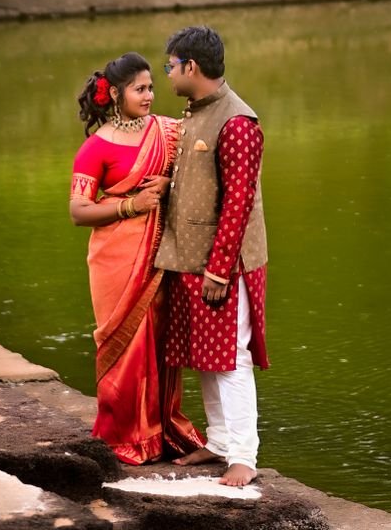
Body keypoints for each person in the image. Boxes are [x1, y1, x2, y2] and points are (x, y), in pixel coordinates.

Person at [70, 51, 205, 465]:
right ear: (115, 94)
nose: (149, 96)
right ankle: (125, 434)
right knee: (126, 344)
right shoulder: (95, 148)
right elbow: (79, 211)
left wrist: (169, 180)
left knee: (160, 340)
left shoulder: (167, 131)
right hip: (116, 260)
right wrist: (131, 206)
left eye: (151, 87)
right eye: (139, 89)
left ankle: (161, 432)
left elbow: (200, 170)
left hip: (161, 257)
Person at [155, 25, 269, 488]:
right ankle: (219, 443)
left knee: (231, 358)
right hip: (191, 257)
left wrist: (220, 270)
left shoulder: (237, 121)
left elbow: (238, 201)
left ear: (191, 67)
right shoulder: (197, 112)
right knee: (205, 357)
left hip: (225, 264)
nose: (168, 75)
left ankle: (244, 454)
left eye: (170, 67)